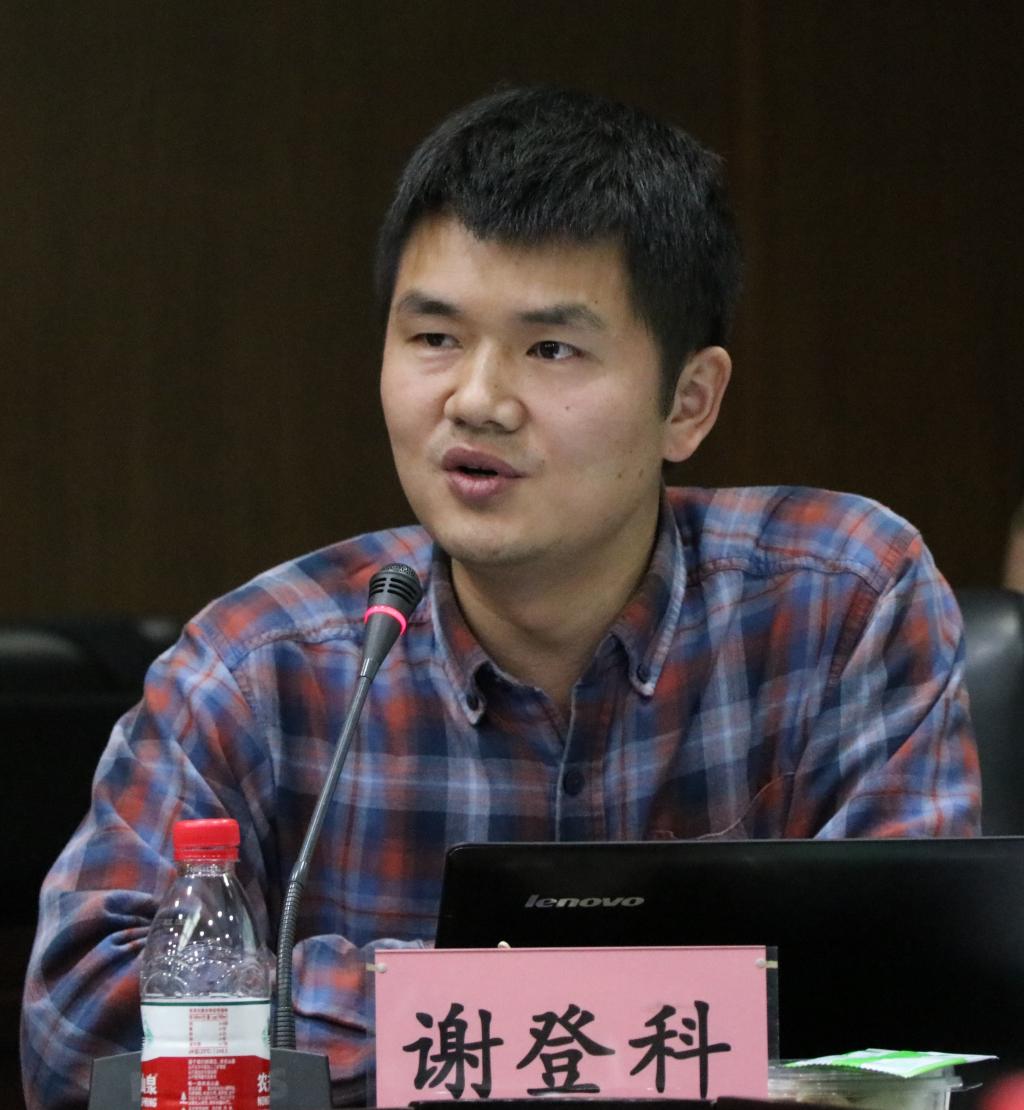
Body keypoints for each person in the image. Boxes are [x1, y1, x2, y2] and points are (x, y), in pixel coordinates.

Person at [21, 86, 980, 1109]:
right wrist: (557, 1006)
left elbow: (916, 992)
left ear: (688, 403)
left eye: (550, 348)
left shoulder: (840, 602)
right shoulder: (258, 664)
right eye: (434, 338)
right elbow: (81, 1023)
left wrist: (443, 1016)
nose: (476, 400)